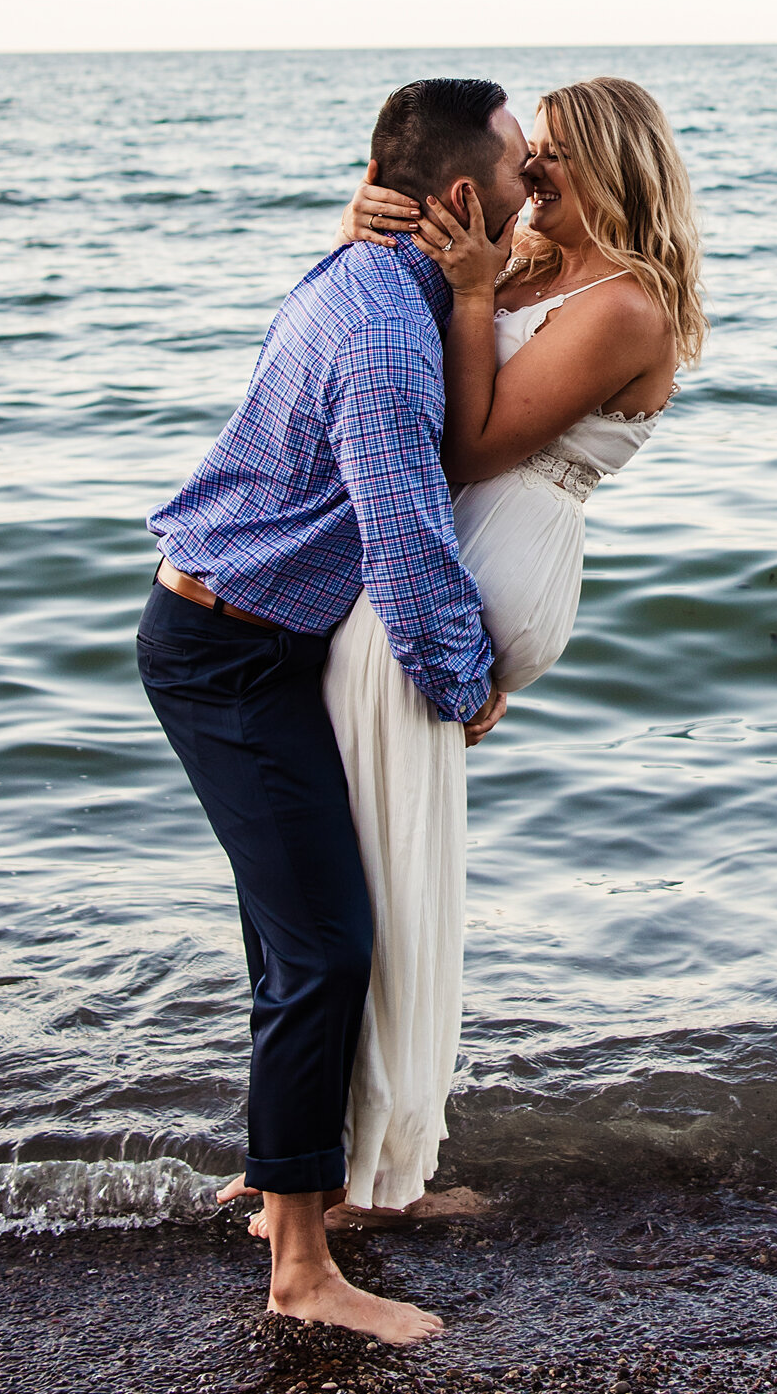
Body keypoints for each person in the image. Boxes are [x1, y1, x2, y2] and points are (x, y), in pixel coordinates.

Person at [232, 76, 706, 1239]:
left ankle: (350, 1167)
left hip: (494, 572)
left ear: (609, 162)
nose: (528, 173)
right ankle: (328, 1154)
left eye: (550, 154)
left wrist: (474, 286)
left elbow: (477, 438)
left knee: (383, 875)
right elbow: (368, 318)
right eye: (524, 151)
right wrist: (368, 218)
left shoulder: (628, 301)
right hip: (429, 579)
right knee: (361, 875)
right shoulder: (521, 260)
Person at [137, 77, 528, 1345]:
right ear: (462, 198)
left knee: (294, 933)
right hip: (222, 651)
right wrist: (466, 682)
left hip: (248, 639)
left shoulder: (377, 276)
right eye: (520, 171)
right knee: (325, 947)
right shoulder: (381, 330)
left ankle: (281, 1185)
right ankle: (300, 1265)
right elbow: (406, 542)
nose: (532, 191)